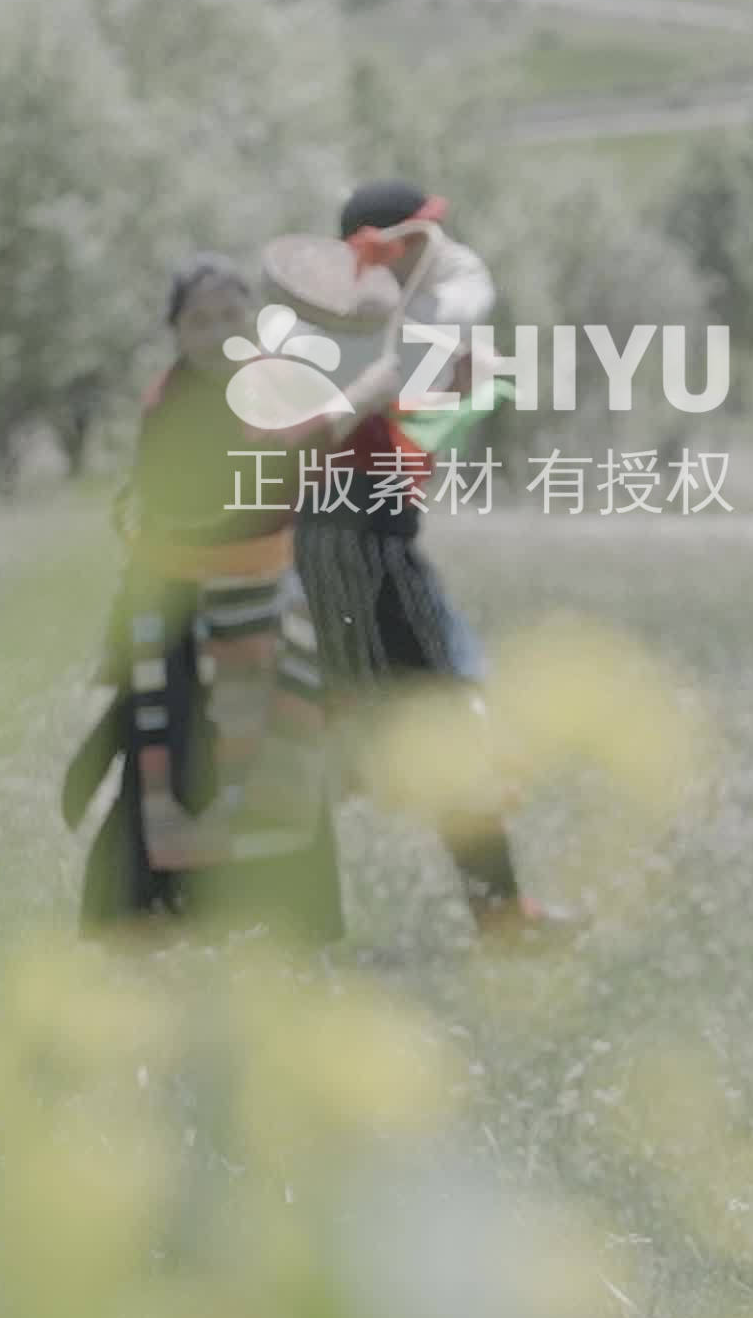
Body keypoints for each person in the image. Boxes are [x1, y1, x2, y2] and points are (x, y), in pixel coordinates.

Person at [64, 246, 431, 942]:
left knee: (285, 765)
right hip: (181, 615)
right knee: (168, 773)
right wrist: (364, 394)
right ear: (177, 334)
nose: (218, 331)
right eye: (200, 321)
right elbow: (272, 461)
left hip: (265, 607)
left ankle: (290, 933)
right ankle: (133, 933)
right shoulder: (174, 405)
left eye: (232, 314)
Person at [289, 180, 574, 942]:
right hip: (351, 543)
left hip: (365, 537)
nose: (431, 250)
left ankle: (495, 917)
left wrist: (461, 387)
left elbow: (420, 401)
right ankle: (498, 922)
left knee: (355, 737)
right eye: (413, 240)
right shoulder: (352, 325)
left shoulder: (375, 318)